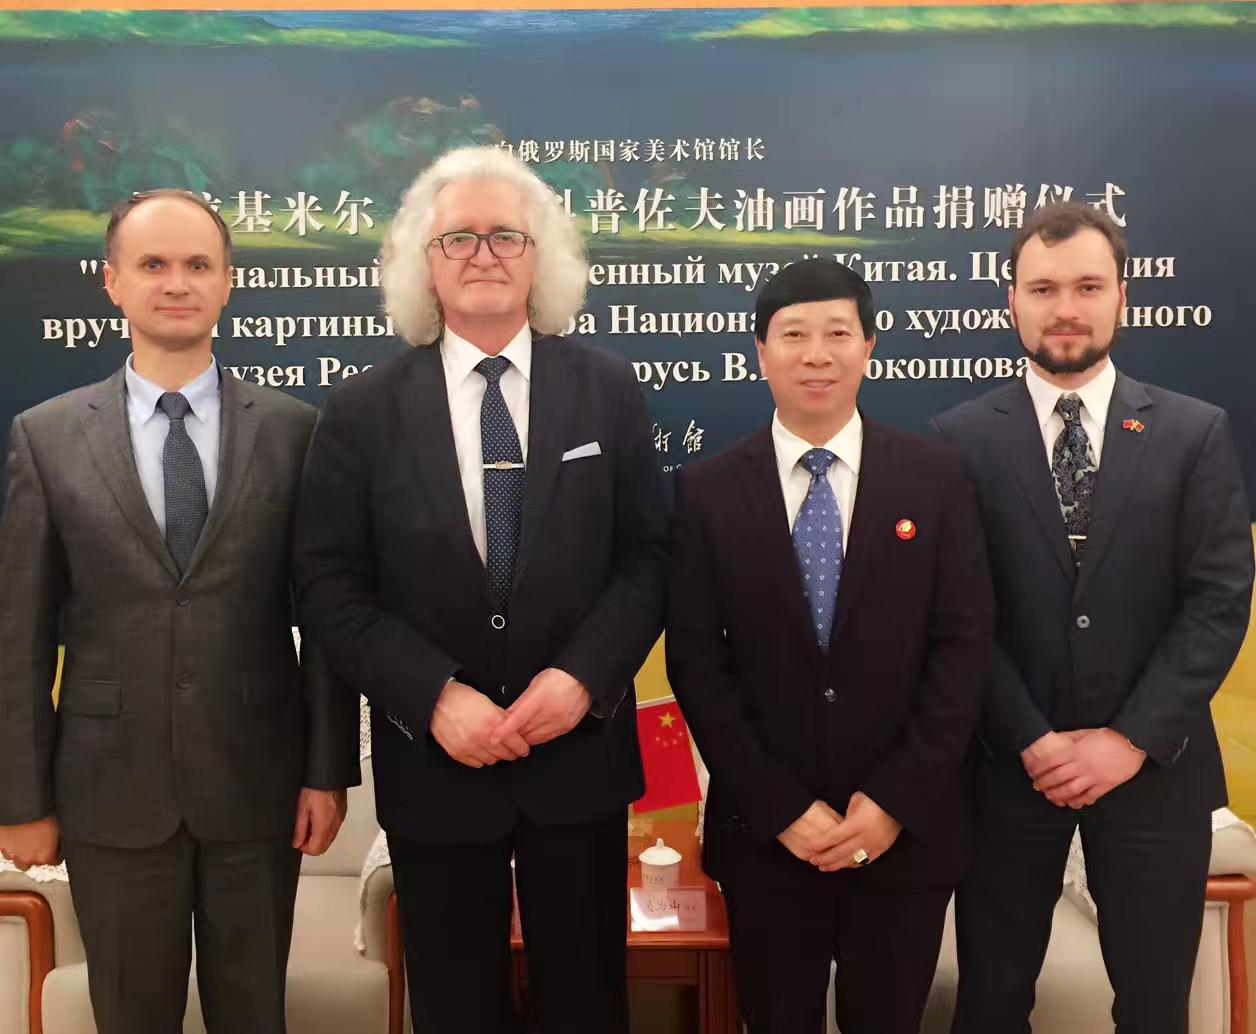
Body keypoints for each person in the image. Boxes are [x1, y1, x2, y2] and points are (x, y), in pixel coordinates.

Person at [295, 146, 668, 1034]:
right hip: (437, 767)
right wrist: (433, 697)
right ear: (424, 264)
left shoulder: (608, 390)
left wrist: (580, 680)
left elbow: (650, 559)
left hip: (578, 761)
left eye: (507, 235)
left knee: (587, 1006)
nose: (484, 254)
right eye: (458, 238)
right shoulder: (362, 410)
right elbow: (330, 586)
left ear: (542, 258)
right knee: (455, 1007)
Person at [0, 188, 359, 1034]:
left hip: (258, 790)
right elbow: (19, 637)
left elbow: (327, 621)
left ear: (228, 282)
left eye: (198, 264)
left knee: (255, 1016)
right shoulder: (47, 437)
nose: (176, 282)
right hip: (109, 796)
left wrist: (326, 770)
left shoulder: (294, 431)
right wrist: (20, 798)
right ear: (113, 283)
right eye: (153, 264)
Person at [934, 202, 1254, 1034]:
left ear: (1122, 297)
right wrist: (1030, 738)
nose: (1066, 308)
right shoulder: (956, 440)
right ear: (1012, 301)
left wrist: (1128, 739)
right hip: (1007, 772)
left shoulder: (1194, 432)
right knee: (990, 1004)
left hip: (1155, 775)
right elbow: (958, 614)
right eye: (1043, 288)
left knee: (1154, 1008)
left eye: (1087, 286)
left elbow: (1218, 600)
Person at [666, 257, 994, 1034]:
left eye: (838, 333)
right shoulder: (708, 491)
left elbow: (963, 650)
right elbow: (697, 665)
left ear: (869, 347)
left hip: (903, 836)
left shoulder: (937, 479)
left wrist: (892, 803)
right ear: (760, 351)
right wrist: (781, 808)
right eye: (794, 335)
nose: (817, 355)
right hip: (767, 839)